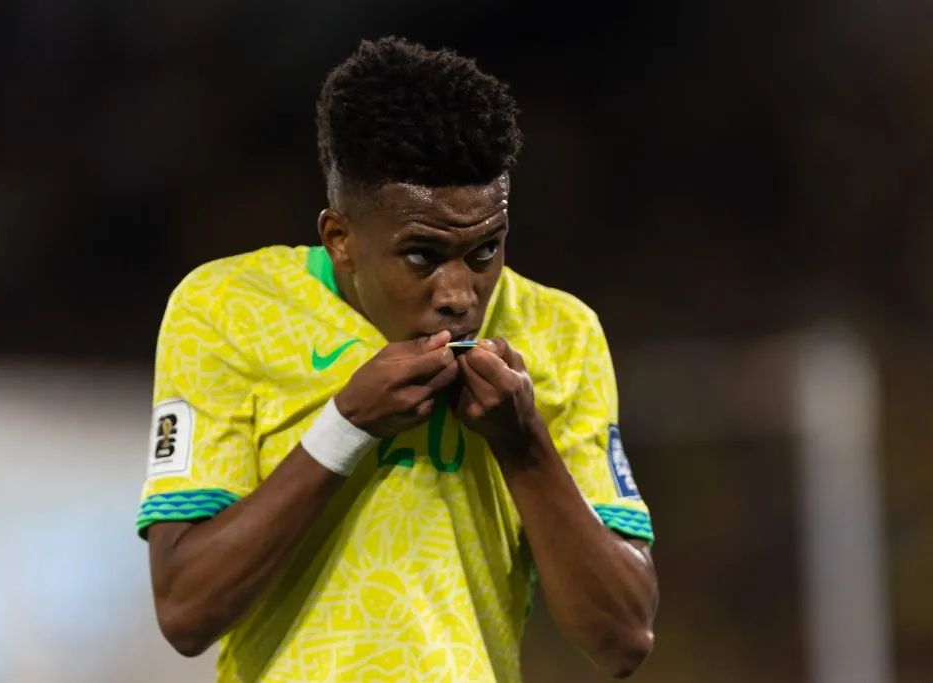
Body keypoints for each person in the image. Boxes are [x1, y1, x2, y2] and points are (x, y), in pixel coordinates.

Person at [136, 36, 658, 683]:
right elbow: (185, 610)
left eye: (485, 250)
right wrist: (346, 425)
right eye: (422, 256)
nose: (460, 295)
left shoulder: (560, 333)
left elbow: (623, 637)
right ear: (342, 239)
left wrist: (524, 445)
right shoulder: (226, 310)